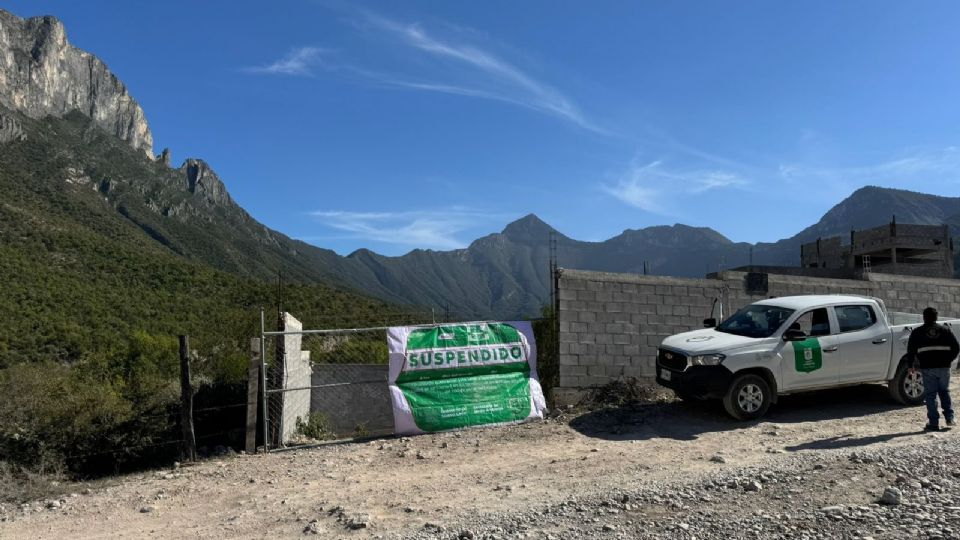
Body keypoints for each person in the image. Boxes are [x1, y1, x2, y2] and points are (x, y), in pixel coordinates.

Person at [907, 307, 960, 431]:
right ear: (937, 317)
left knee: (930, 395)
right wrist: (948, 360)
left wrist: (910, 366)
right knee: (944, 391)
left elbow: (911, 350)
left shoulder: (917, 332)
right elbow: (956, 347)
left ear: (924, 317)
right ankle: (950, 418)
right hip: (943, 367)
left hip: (927, 367)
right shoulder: (946, 330)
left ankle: (933, 423)